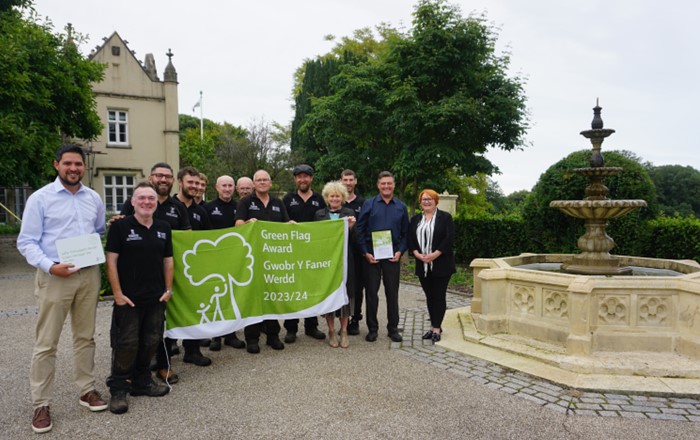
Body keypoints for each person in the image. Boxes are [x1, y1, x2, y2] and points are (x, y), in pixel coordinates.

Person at [17, 144, 109, 434]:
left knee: (85, 337)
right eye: (67, 163)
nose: (73, 169)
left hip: (88, 274)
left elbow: (98, 230)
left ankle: (87, 390)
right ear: (56, 164)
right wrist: (49, 265)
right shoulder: (40, 198)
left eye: (78, 164)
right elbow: (26, 241)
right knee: (46, 342)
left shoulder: (93, 197)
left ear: (85, 166)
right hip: (55, 276)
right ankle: (41, 404)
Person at [105, 182, 173, 414]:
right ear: (132, 202)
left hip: (156, 297)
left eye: (151, 198)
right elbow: (111, 260)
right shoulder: (120, 227)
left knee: (151, 339)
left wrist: (168, 289)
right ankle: (118, 388)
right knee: (126, 343)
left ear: (156, 203)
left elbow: (168, 260)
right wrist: (117, 294)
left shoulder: (164, 227)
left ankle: (142, 380)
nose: (147, 202)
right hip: (129, 299)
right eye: (141, 198)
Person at [120, 162, 191, 385]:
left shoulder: (178, 207)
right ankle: (133, 369)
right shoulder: (134, 203)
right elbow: (122, 230)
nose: (163, 180)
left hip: (169, 272)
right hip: (137, 274)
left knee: (163, 322)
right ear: (151, 177)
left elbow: (188, 238)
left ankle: (163, 364)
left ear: (173, 181)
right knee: (135, 326)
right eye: (159, 175)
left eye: (168, 176)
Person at [235, 170, 288, 353]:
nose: (262, 182)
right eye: (259, 180)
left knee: (272, 295)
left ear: (271, 183)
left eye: (265, 180)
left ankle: (273, 335)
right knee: (254, 297)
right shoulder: (245, 202)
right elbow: (238, 225)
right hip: (253, 259)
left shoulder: (278, 203)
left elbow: (286, 226)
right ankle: (252, 337)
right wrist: (249, 222)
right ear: (254, 183)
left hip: (274, 258)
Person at [355, 171, 409, 343]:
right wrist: (365, 252)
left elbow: (407, 234)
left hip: (392, 256)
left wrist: (400, 251)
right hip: (372, 256)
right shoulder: (369, 204)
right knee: (371, 293)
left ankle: (393, 329)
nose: (386, 186)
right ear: (378, 185)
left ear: (393, 185)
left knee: (392, 293)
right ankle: (372, 329)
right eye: (383, 183)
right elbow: (359, 230)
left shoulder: (401, 207)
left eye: (389, 183)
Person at [282, 164, 326, 343]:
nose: (302, 180)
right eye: (299, 177)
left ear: (311, 178)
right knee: (293, 288)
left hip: (313, 252)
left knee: (311, 289)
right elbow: (281, 223)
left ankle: (311, 326)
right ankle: (291, 328)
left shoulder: (320, 199)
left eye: (306, 176)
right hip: (292, 251)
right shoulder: (287, 199)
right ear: (295, 179)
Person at [174, 167, 213, 366]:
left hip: (193, 269)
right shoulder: (166, 206)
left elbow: (206, 240)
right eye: (191, 182)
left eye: (198, 183)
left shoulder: (201, 211)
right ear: (180, 182)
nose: (195, 187)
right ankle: (165, 348)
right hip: (169, 268)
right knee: (169, 308)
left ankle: (192, 349)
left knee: (194, 307)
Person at [202, 175, 246, 351]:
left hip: (234, 257)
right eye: (224, 185)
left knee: (231, 296)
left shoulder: (239, 207)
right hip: (213, 258)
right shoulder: (208, 208)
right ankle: (216, 336)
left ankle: (231, 334)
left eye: (230, 186)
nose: (227, 189)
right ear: (217, 187)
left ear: (234, 188)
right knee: (215, 296)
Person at [408, 190, 456, 342]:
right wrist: (416, 253)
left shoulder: (445, 217)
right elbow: (411, 238)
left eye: (430, 199)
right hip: (422, 265)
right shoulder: (415, 219)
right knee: (429, 296)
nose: (426, 201)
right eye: (423, 199)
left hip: (441, 264)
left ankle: (436, 328)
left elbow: (449, 238)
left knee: (439, 296)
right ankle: (434, 326)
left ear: (436, 201)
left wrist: (435, 254)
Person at [314, 181, 356, 348]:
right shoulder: (319, 215)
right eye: (332, 196)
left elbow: (355, 240)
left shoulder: (349, 213)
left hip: (345, 260)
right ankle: (331, 330)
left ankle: (343, 330)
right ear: (327, 197)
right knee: (330, 294)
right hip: (327, 262)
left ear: (343, 197)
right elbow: (314, 238)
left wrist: (351, 227)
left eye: (338, 195)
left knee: (345, 295)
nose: (335, 198)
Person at [341, 169, 366, 336]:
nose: (348, 183)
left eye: (351, 180)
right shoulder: (335, 201)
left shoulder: (363, 203)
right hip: (339, 252)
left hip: (357, 252)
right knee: (341, 286)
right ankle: (342, 318)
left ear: (355, 181)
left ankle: (355, 319)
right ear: (340, 181)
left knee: (357, 287)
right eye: (345, 180)